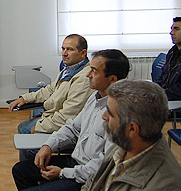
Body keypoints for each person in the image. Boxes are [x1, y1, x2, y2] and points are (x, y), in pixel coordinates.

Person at [12, 49, 130, 191]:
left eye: (94, 71)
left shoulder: (120, 115)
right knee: (20, 170)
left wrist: (62, 173)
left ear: (112, 79)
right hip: (75, 162)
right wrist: (48, 146)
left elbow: (104, 165)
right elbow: (73, 127)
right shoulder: (95, 97)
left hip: (89, 177)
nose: (88, 74)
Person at [81, 79, 181, 191]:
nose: (104, 116)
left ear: (132, 129)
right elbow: (92, 183)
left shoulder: (165, 185)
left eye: (110, 113)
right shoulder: (123, 144)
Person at [9, 34, 94, 134]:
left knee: (24, 128)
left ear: (83, 53)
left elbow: (67, 116)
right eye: (63, 49)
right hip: (52, 116)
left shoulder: (84, 78)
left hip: (64, 127)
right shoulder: (68, 70)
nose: (64, 53)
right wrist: (25, 98)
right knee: (24, 127)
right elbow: (49, 90)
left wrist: (39, 127)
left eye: (70, 49)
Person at [155, 17, 181, 118]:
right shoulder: (173, 52)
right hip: (168, 98)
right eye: (171, 29)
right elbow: (162, 77)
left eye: (176, 29)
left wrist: (159, 95)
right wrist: (153, 90)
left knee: (140, 111)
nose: (171, 32)